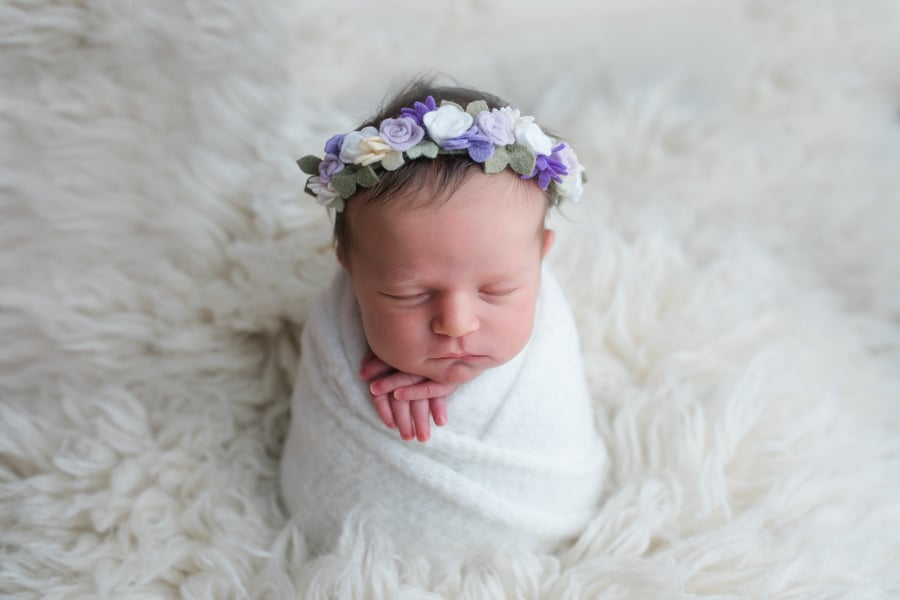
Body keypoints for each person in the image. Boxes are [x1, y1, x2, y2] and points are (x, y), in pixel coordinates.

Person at [280, 79, 606, 559]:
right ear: (348, 266)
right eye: (408, 294)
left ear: (540, 259)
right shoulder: (336, 320)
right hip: (358, 549)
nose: (456, 324)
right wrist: (362, 366)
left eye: (498, 290)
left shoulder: (548, 334)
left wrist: (469, 389)